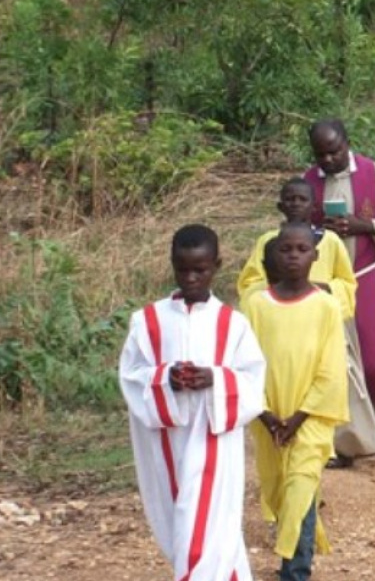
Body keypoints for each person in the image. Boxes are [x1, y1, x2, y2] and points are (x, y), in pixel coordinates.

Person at [119, 224, 265, 581]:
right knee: (183, 525)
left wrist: (216, 378)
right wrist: (165, 377)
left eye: (200, 269)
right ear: (171, 265)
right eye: (182, 269)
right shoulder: (148, 321)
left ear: (217, 265)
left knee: (204, 526)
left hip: (213, 439)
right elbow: (131, 375)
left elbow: (253, 380)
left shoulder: (233, 325)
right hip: (165, 441)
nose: (191, 277)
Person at [237, 177, 375, 467]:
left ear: (313, 205)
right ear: (280, 205)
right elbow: (249, 281)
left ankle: (325, 452)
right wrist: (271, 291)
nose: (295, 204)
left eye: (302, 199)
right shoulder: (267, 241)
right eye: (289, 199)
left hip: (319, 325)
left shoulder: (329, 242)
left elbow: (347, 282)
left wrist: (324, 291)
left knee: (327, 382)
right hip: (278, 327)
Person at [244, 223, 349, 581]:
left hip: (312, 416)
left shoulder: (326, 306)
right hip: (267, 416)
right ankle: (292, 559)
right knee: (278, 490)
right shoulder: (256, 306)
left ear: (315, 256)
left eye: (301, 250)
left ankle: (296, 571)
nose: (292, 257)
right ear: (272, 255)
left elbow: (331, 367)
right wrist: (267, 415)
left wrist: (299, 417)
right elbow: (245, 364)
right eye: (285, 250)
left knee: (302, 485)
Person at [306, 119, 375, 455]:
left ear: (347, 142)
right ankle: (350, 441)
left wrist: (363, 225)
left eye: (334, 151)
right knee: (339, 365)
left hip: (367, 275)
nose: (327, 161)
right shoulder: (308, 182)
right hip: (326, 284)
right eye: (321, 154)